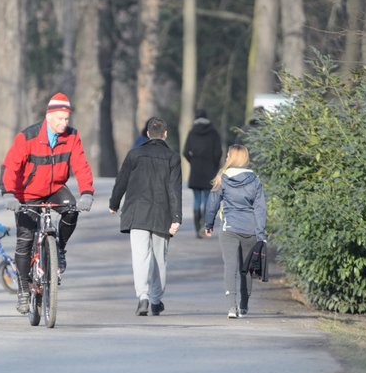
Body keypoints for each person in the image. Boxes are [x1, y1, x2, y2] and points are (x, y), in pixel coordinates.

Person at [0, 92, 95, 313]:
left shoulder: (72, 136)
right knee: (24, 241)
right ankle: (24, 290)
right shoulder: (28, 137)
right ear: (49, 117)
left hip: (54, 189)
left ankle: (59, 247)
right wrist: (9, 194)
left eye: (67, 119)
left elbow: (81, 165)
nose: (65, 123)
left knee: (71, 211)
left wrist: (87, 192)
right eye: (60, 119)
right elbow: (10, 167)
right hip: (28, 192)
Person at [108, 117, 182, 316]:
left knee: (140, 257)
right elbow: (175, 190)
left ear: (148, 134)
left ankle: (143, 297)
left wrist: (114, 204)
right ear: (165, 134)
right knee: (160, 258)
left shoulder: (134, 154)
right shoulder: (173, 158)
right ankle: (156, 300)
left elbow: (121, 181)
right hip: (162, 214)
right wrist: (176, 218)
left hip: (137, 212)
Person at [204, 144, 267, 319]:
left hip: (229, 228)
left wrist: (208, 224)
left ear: (232, 157)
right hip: (251, 229)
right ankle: (244, 306)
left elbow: (212, 203)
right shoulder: (255, 180)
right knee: (245, 269)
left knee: (229, 266)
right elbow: (260, 209)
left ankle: (232, 307)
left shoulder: (222, 178)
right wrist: (261, 234)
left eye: (228, 156)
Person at [183, 109, 222, 238]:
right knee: (206, 199)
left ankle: (196, 228)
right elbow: (218, 152)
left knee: (196, 200)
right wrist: (214, 165)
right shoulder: (213, 133)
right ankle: (204, 225)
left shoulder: (192, 132)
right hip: (209, 170)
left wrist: (193, 162)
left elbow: (185, 152)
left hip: (196, 170)